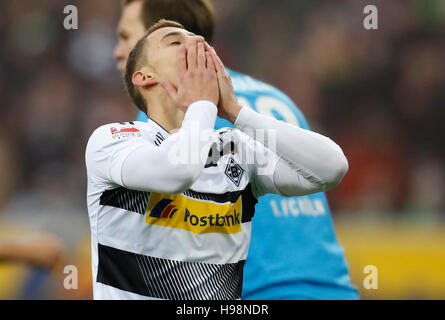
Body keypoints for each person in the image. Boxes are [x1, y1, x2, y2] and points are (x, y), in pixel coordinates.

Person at [85, 19, 348, 300]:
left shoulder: (235, 147)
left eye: (199, 40)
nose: (196, 44)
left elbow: (331, 168)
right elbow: (180, 170)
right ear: (145, 76)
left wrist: (237, 112)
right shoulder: (114, 140)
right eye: (176, 42)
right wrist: (202, 103)